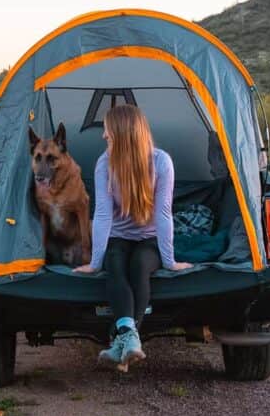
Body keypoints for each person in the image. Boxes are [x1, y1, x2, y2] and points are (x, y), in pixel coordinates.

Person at [72, 104, 192, 370]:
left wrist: (170, 260)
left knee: (140, 266)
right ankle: (131, 342)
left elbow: (163, 214)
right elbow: (103, 215)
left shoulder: (161, 162)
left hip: (149, 238)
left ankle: (123, 343)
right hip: (119, 236)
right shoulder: (105, 164)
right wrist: (95, 261)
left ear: (123, 133)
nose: (104, 136)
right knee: (113, 263)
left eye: (107, 130)